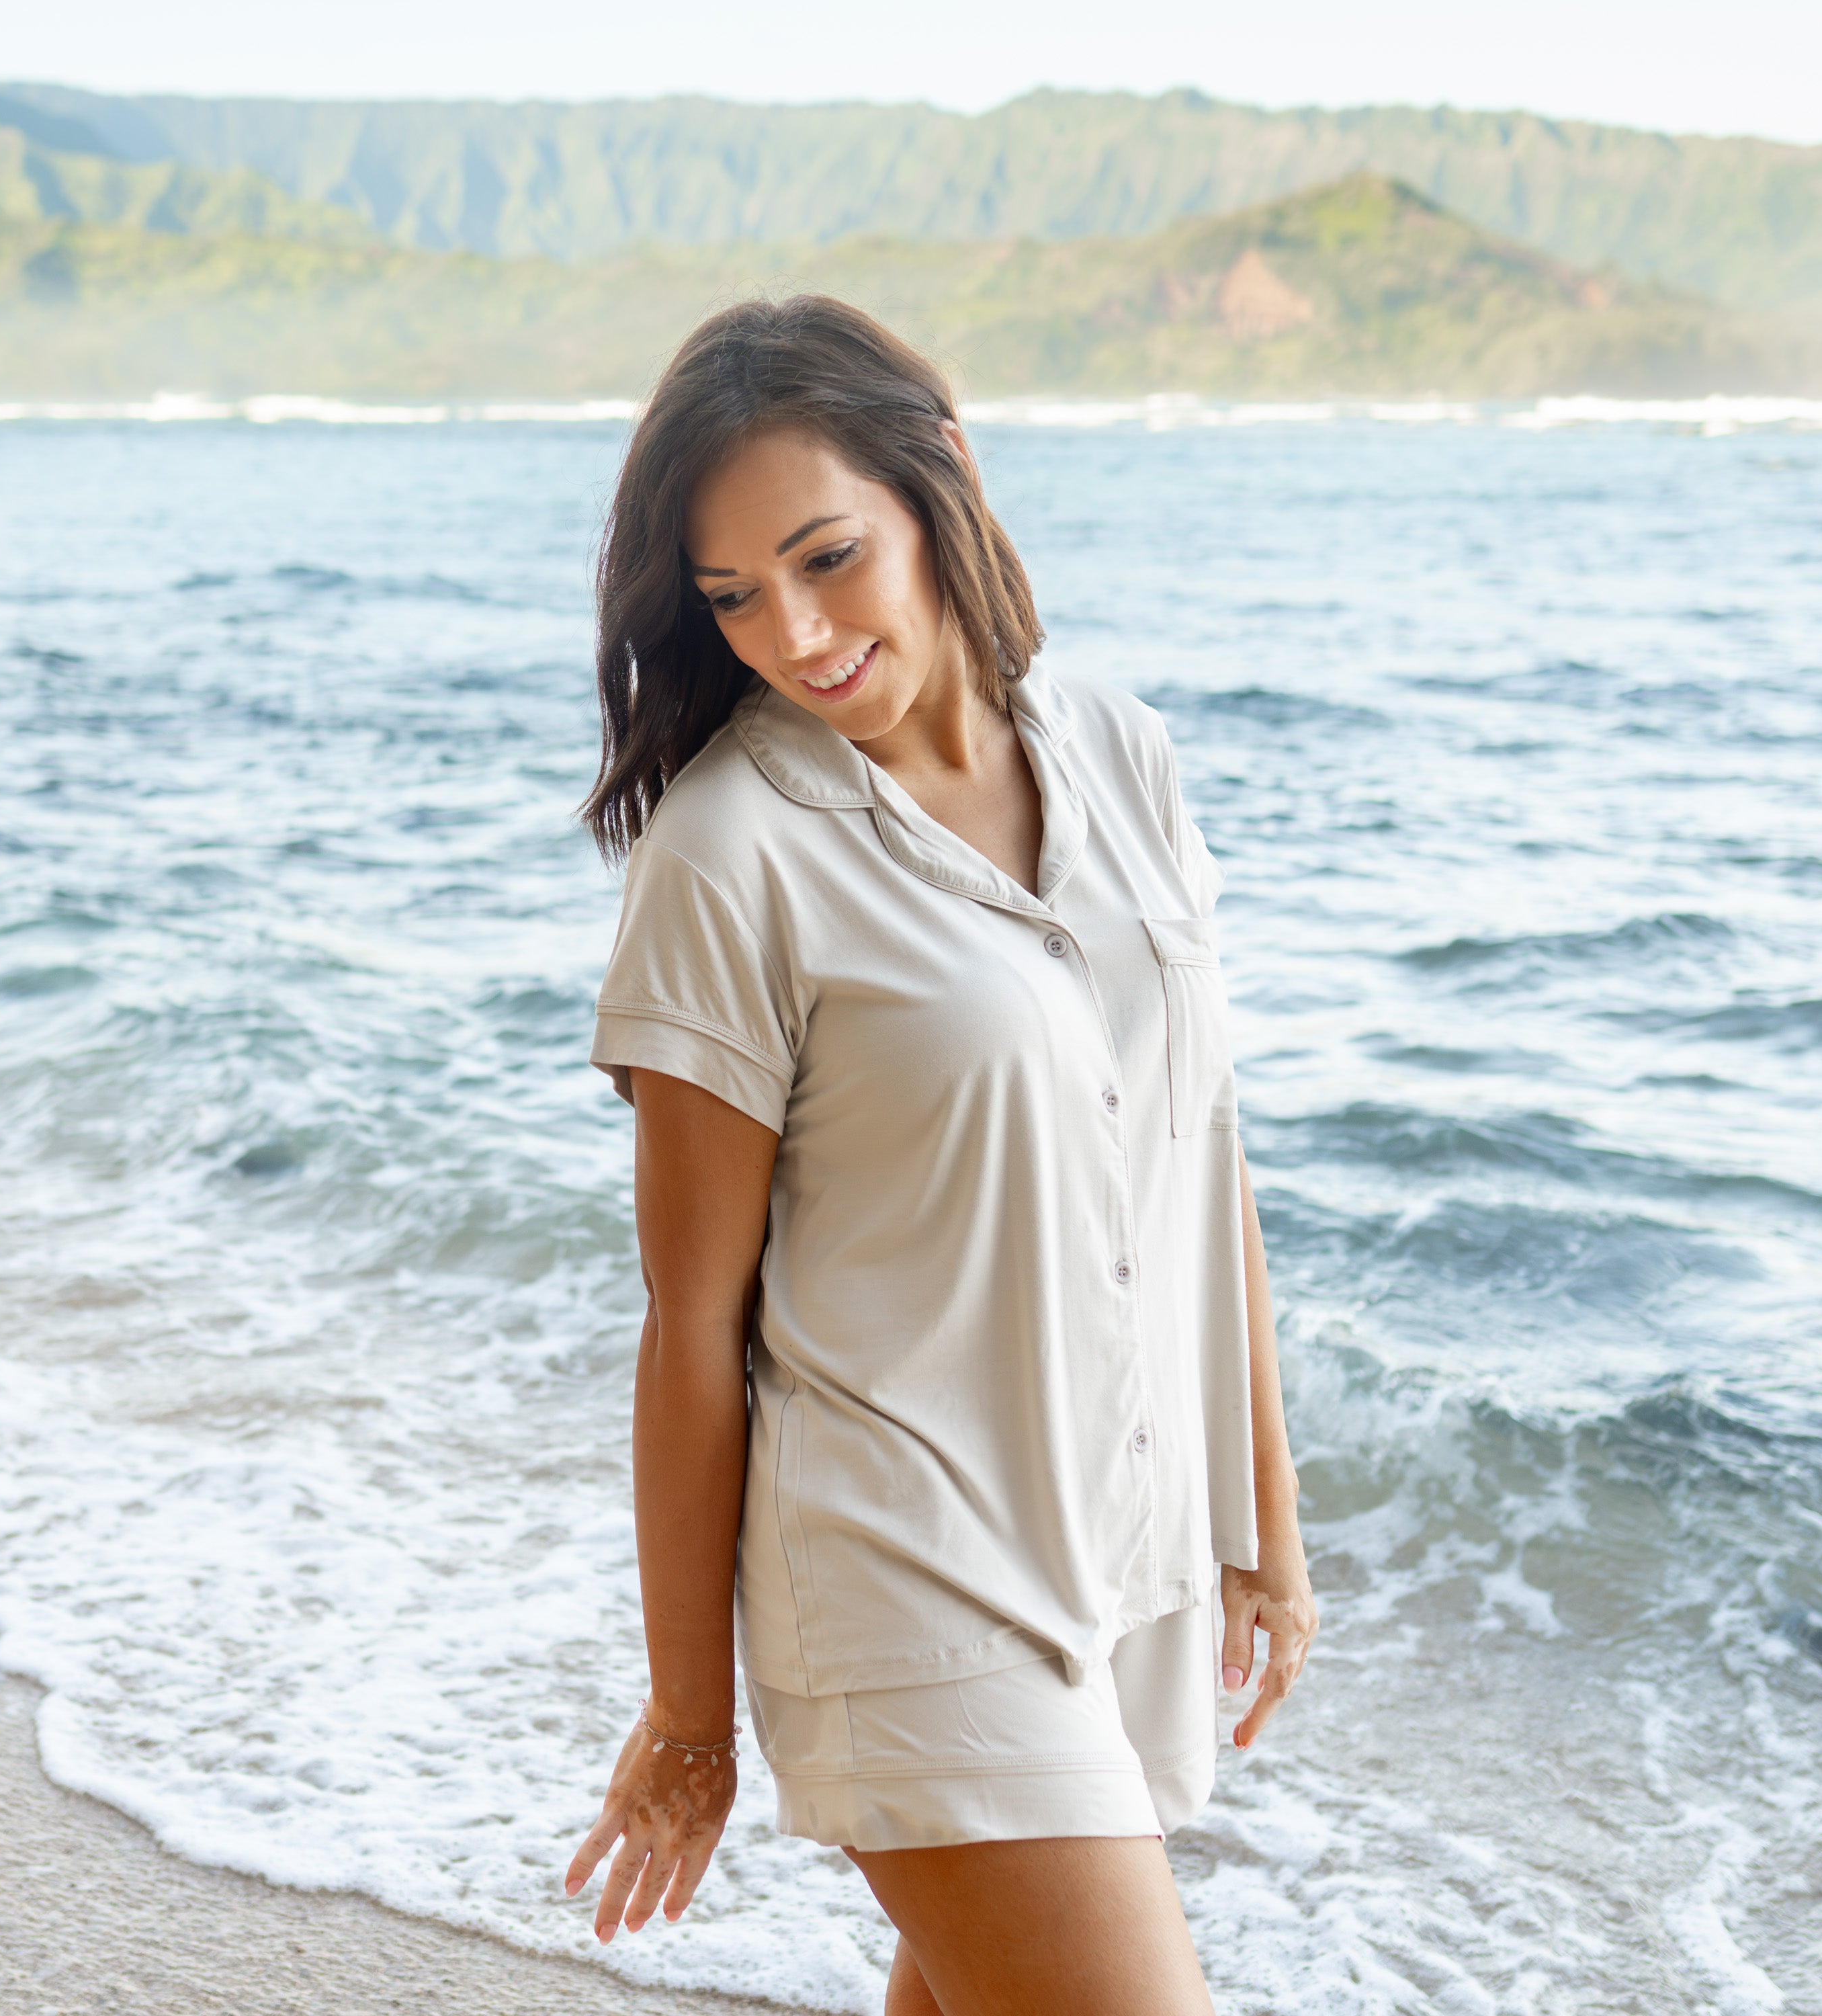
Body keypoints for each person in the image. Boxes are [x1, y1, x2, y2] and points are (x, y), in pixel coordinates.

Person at [564, 296, 1316, 2016]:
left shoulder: (1120, 753)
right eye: (736, 597)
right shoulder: (728, 854)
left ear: (941, 477)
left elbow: (1199, 1152)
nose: (799, 636)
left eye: (829, 558)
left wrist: (1260, 1518)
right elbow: (692, 1327)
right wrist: (691, 1723)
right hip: (899, 1577)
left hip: (1116, 1562)